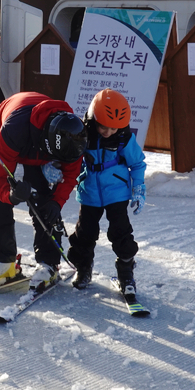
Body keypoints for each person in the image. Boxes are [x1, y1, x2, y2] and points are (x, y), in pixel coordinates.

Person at [0, 92, 88, 292]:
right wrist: (11, 196)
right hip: (9, 138)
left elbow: (70, 176)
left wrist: (56, 202)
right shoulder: (12, 132)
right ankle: (3, 261)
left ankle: (48, 262)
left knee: (45, 201)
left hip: (39, 150)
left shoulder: (74, 137)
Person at [67, 89, 146, 295]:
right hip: (89, 191)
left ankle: (126, 273)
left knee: (121, 233)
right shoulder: (83, 134)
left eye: (113, 128)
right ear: (94, 119)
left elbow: (137, 164)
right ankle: (83, 268)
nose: (108, 132)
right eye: (103, 126)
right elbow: (70, 158)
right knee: (85, 233)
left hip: (117, 192)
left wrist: (138, 188)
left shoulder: (124, 138)